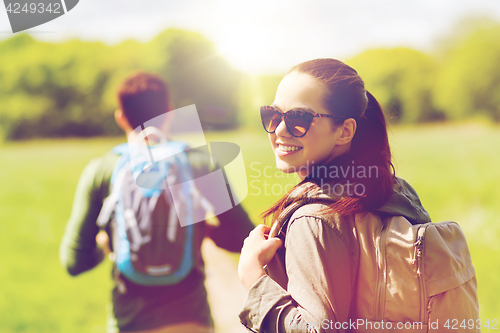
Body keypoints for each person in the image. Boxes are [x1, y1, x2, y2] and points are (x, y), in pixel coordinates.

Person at [237, 59, 435, 332]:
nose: (280, 130)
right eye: (273, 115)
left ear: (345, 131)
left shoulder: (313, 219)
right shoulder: (396, 193)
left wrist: (254, 279)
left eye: (298, 119)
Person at [60, 72, 254, 333]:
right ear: (169, 112)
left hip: (129, 322)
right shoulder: (200, 162)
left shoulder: (102, 169)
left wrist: (107, 243)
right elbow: (243, 238)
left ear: (120, 117)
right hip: (191, 320)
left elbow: (74, 262)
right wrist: (205, 229)